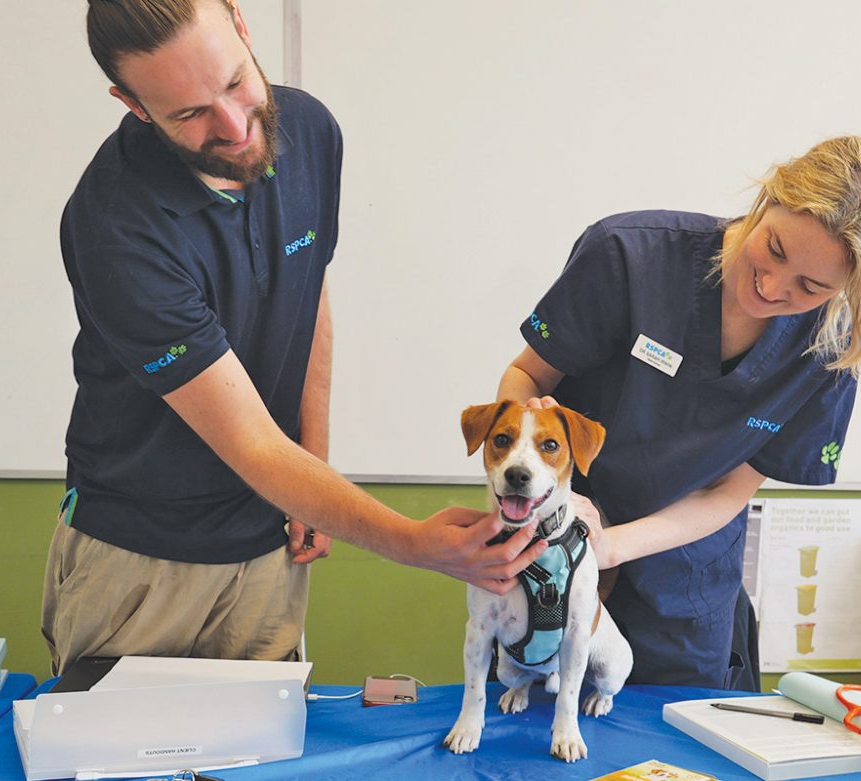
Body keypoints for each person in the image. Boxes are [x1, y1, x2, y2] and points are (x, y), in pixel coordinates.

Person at [43, 0, 547, 676]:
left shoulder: (308, 133)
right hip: (142, 561)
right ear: (131, 103)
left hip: (267, 546)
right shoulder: (116, 226)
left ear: (242, 24)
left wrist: (315, 459)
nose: (233, 125)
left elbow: (307, 293)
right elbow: (248, 441)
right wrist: (414, 543)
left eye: (234, 81)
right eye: (188, 114)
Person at [496, 136, 861, 689]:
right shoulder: (629, 255)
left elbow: (728, 492)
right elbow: (527, 376)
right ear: (768, 197)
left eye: (810, 287)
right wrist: (546, 479)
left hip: (683, 589)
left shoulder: (831, 346)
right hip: (553, 550)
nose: (770, 287)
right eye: (775, 249)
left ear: (846, 288)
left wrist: (611, 545)